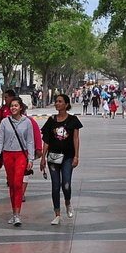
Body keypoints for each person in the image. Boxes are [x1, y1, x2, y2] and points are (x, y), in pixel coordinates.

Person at [0, 97, 38, 226]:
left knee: (18, 183)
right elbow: (0, 140)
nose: (13, 108)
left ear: (21, 107)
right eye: (11, 106)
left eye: (16, 105)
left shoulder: (27, 122)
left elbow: (30, 141)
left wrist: (30, 158)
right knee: (12, 185)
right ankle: (14, 213)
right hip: (8, 154)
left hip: (21, 154)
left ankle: (18, 214)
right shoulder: (5, 122)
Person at [44, 93, 83, 225]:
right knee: (55, 185)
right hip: (53, 157)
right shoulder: (51, 121)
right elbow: (47, 140)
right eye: (56, 101)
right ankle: (57, 214)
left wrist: (76, 156)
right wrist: (43, 158)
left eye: (60, 102)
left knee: (66, 184)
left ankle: (67, 202)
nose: (57, 104)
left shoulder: (73, 121)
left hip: (68, 156)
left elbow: (75, 139)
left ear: (66, 104)